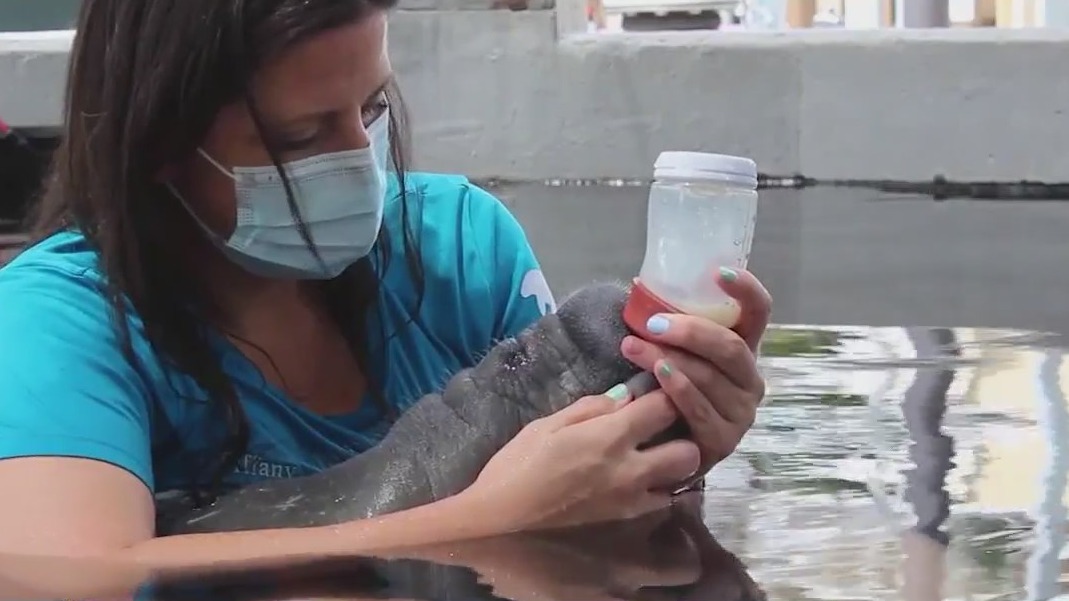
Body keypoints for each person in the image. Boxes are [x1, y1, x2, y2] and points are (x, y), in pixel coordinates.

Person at [0, 0, 772, 569]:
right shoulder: (60, 318)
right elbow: (68, 572)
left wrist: (679, 447)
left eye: (370, 110)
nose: (358, 160)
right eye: (301, 136)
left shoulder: (464, 247)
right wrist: (490, 519)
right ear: (161, 145)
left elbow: (613, 522)